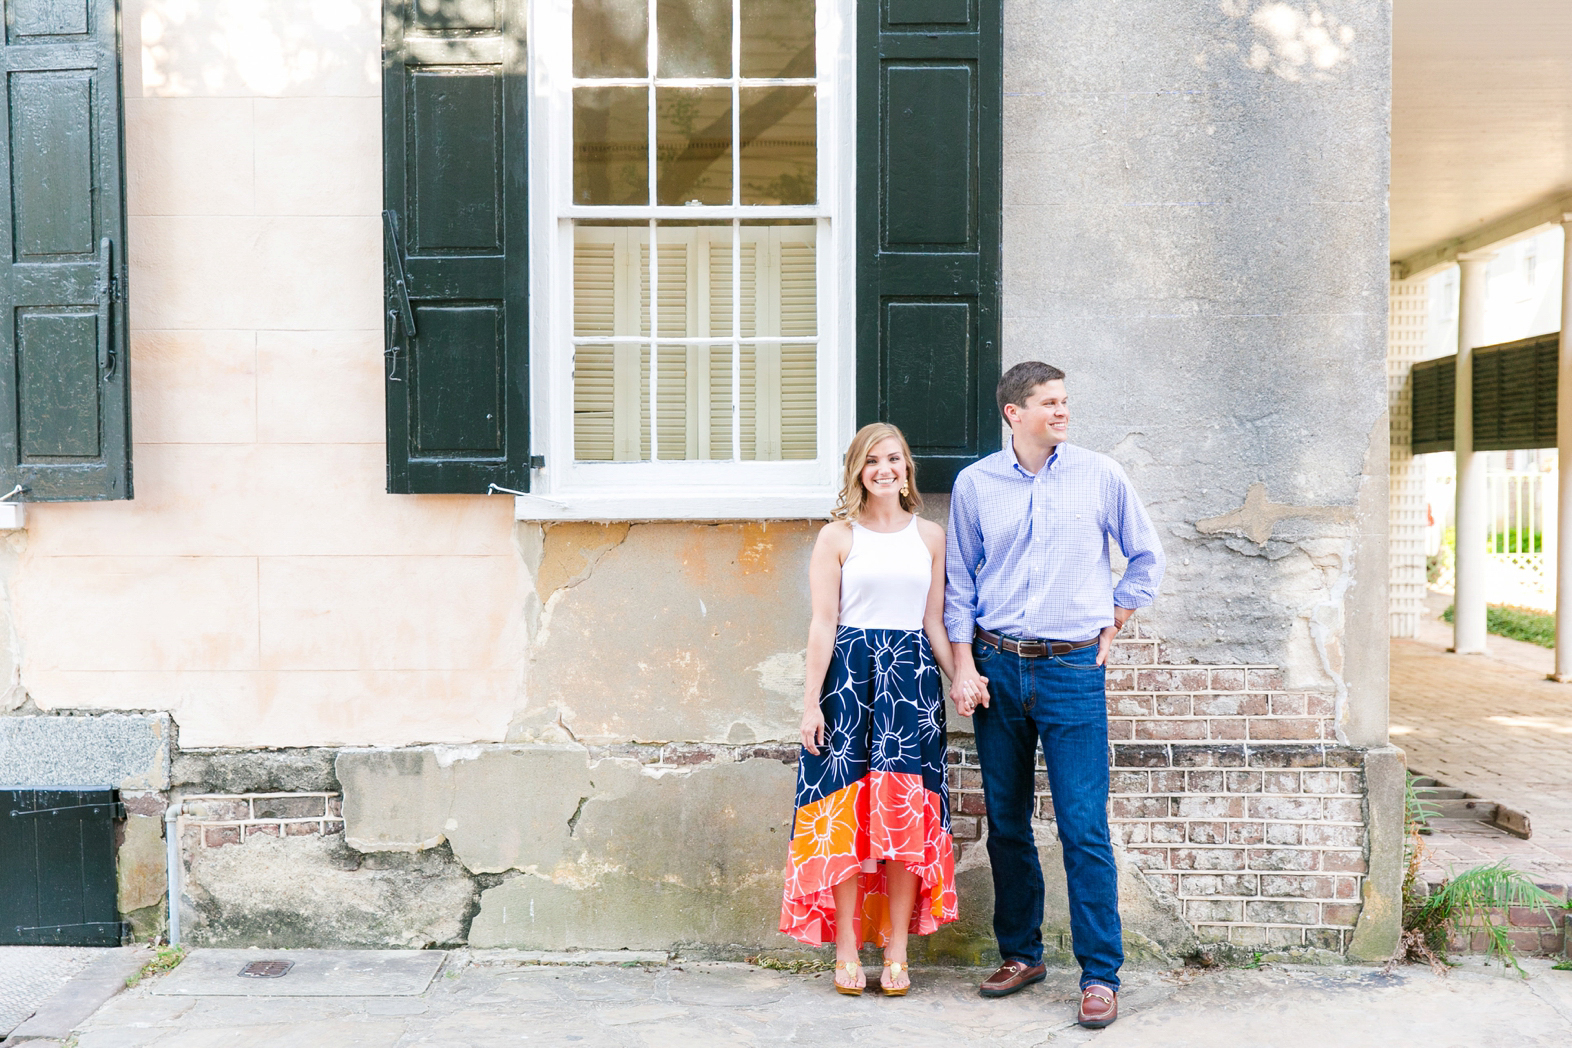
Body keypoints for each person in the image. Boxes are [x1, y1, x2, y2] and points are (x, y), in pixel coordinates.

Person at [945, 362, 1165, 1030]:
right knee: (1007, 822)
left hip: (1072, 670)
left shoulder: (1100, 475)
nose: (1062, 412)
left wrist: (1116, 616)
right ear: (1014, 412)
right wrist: (963, 664)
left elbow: (1145, 558)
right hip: (998, 668)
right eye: (1048, 402)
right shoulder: (975, 484)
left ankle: (1100, 975)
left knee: (1082, 824)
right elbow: (959, 581)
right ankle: (1023, 954)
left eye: (1066, 401)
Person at [779, 423, 980, 996]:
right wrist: (811, 702)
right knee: (842, 817)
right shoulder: (837, 537)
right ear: (857, 471)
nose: (884, 469)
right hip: (849, 681)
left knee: (901, 819)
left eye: (894, 458)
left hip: (912, 688)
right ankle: (845, 951)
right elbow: (823, 623)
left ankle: (896, 954)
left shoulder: (931, 536)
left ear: (907, 467)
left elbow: (934, 622)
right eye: (872, 461)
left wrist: (960, 675)